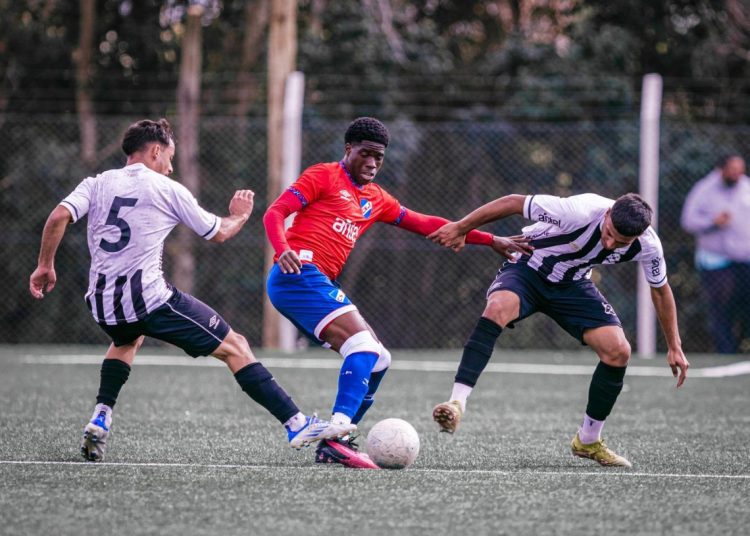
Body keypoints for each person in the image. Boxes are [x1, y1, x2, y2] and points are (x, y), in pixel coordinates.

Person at [29, 118, 355, 462]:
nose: (170, 167)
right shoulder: (167, 189)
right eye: (169, 157)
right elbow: (219, 233)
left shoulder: (96, 183)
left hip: (101, 302)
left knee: (127, 339)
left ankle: (101, 416)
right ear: (155, 151)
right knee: (236, 346)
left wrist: (45, 265)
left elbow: (57, 217)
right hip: (149, 300)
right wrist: (240, 215)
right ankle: (297, 423)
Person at [263, 117, 531, 469]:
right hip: (297, 276)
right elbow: (275, 211)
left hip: (318, 282)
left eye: (379, 157)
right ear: (349, 150)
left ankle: (334, 445)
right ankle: (339, 431)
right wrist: (282, 248)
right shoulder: (323, 175)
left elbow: (426, 224)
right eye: (366, 154)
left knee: (380, 358)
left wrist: (490, 238)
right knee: (363, 347)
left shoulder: (376, 198)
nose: (373, 163)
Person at [429, 192, 690, 468]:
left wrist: (674, 345)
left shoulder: (649, 246)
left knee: (619, 351)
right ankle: (456, 403)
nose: (610, 243)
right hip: (528, 268)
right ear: (607, 214)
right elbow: (514, 202)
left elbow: (660, 290)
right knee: (497, 308)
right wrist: (461, 227)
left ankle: (588, 440)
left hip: (572, 285)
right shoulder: (576, 212)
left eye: (620, 242)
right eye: (609, 232)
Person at [680, 154, 750, 354]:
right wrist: (712, 222)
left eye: (740, 169)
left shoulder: (746, 187)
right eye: (733, 170)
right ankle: (725, 351)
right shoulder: (704, 190)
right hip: (716, 261)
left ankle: (742, 348)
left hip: (745, 259)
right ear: (721, 169)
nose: (738, 174)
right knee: (721, 309)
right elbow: (688, 220)